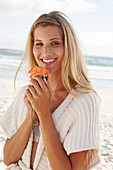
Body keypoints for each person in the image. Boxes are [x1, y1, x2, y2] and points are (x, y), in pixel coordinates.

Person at [0, 11, 100, 169]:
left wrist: (44, 113)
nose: (45, 53)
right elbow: (8, 158)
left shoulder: (85, 101)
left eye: (54, 43)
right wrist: (31, 116)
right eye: (39, 44)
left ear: (68, 47)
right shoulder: (27, 93)